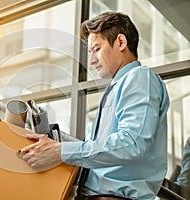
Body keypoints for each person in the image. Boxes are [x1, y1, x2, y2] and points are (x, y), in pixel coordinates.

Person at [19, 12, 170, 200]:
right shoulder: (118, 87)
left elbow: (132, 143)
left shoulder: (139, 77)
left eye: (96, 49)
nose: (92, 60)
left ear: (121, 42)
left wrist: (60, 151)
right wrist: (56, 145)